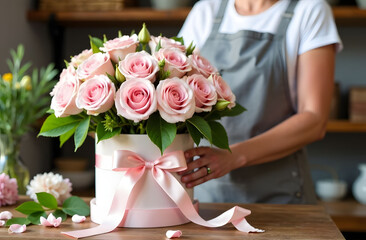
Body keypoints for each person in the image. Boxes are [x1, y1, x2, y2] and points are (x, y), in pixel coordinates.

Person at [178, 0, 343, 204]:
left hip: (280, 196)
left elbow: (314, 120)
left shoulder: (310, 11)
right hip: (205, 191)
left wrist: (233, 156)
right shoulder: (206, 12)